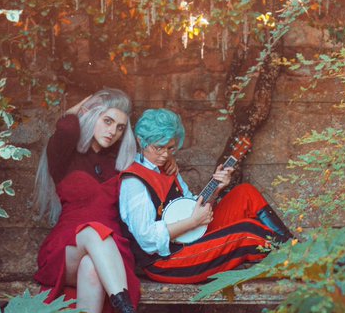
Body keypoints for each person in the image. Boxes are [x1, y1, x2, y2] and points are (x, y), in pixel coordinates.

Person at [32, 88, 155, 313]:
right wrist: (83, 105)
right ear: (91, 115)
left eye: (120, 127)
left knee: (91, 268)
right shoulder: (65, 156)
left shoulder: (122, 163)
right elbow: (67, 128)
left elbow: (158, 168)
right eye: (107, 121)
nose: (113, 131)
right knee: (92, 230)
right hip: (67, 249)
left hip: (111, 253)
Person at [118, 108, 296, 284]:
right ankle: (296, 262)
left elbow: (191, 207)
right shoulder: (134, 182)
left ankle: (296, 247)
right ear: (141, 141)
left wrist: (216, 189)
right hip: (167, 261)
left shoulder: (166, 168)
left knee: (245, 193)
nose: (165, 155)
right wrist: (193, 222)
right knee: (246, 231)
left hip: (190, 238)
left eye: (170, 148)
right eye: (159, 148)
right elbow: (147, 238)